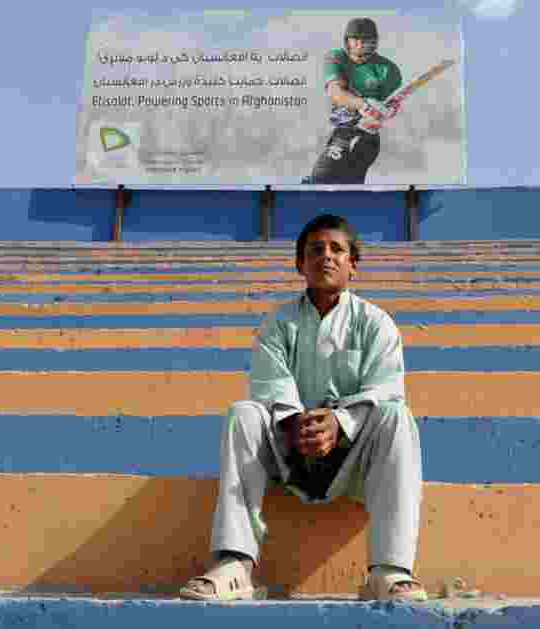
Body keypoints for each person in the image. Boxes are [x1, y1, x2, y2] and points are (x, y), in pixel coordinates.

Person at [179, 214, 426, 602]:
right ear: (300, 264)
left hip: (352, 462)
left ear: (352, 266)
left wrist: (339, 424)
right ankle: (234, 565)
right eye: (315, 249)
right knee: (244, 413)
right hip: (288, 455)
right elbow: (268, 385)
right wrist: (297, 424)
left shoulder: (376, 324)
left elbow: (385, 390)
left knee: (396, 415)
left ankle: (389, 572)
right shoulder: (278, 323)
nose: (325, 257)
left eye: (337, 249)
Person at [301, 18, 404, 184]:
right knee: (320, 178)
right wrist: (363, 104)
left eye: (365, 40)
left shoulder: (388, 69)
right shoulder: (337, 57)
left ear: (374, 42)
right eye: (354, 39)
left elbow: (390, 105)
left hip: (367, 137)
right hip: (343, 132)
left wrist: (386, 112)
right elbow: (335, 92)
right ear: (347, 41)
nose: (359, 44)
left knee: (345, 184)